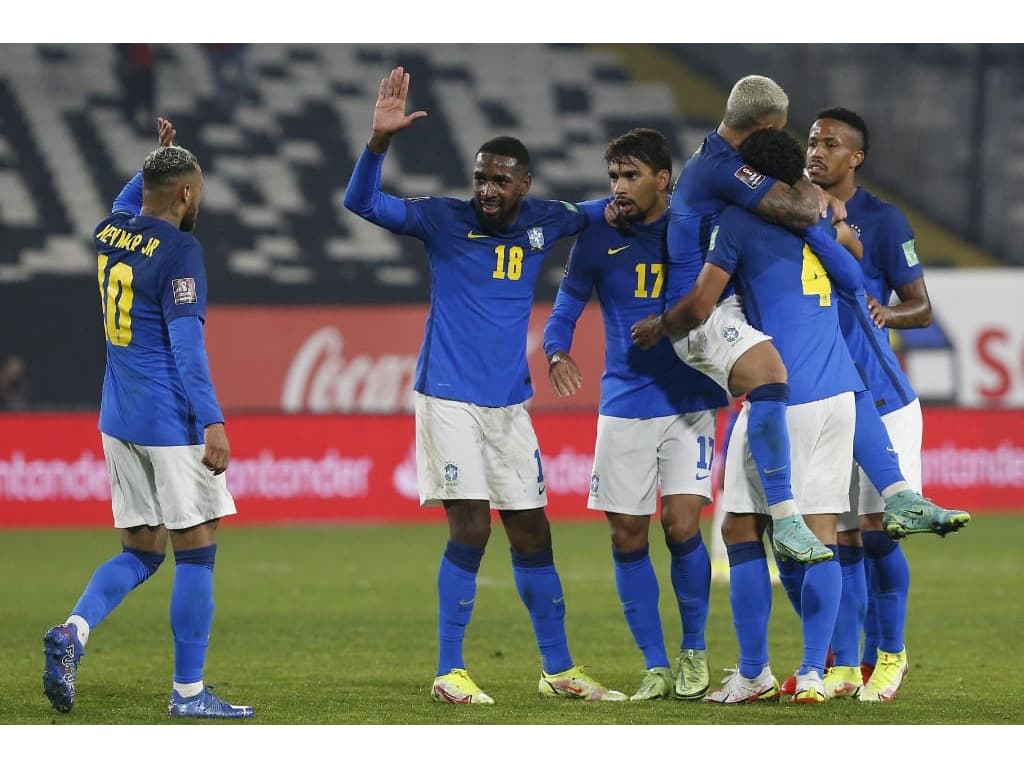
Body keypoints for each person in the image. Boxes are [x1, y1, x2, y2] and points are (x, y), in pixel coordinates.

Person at [343, 66, 624, 704]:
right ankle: (450, 671)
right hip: (447, 398)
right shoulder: (441, 220)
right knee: (470, 528)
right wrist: (379, 142)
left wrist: (653, 199)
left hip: (509, 406)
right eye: (480, 177)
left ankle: (558, 670)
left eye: (501, 179)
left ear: (525, 183)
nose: (488, 189)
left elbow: (603, 211)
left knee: (532, 531)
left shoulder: (546, 221)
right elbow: (361, 203)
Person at [42, 118, 253, 719]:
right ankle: (189, 694)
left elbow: (125, 201)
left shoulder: (110, 231)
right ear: (186, 193)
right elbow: (187, 349)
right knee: (196, 548)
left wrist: (153, 165)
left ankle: (73, 633)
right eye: (198, 189)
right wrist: (212, 420)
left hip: (118, 416)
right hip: (169, 420)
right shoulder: (182, 250)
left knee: (142, 549)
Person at [660, 127, 865, 704]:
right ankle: (815, 675)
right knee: (822, 534)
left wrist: (660, 325)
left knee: (741, 530)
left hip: (784, 393)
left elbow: (703, 303)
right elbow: (853, 282)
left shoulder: (741, 222)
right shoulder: (815, 220)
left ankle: (753, 673)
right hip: (836, 397)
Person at [543, 129, 727, 701]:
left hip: (688, 399)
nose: (619, 188)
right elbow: (567, 303)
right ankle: (654, 664)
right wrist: (556, 349)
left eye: (631, 176)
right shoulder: (598, 237)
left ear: (663, 179)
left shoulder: (695, 229)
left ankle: (693, 651)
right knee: (627, 534)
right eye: (613, 177)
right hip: (624, 402)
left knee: (681, 526)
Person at [629, 75, 840, 566]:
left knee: (773, 394)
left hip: (723, 304)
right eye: (780, 132)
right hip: (697, 314)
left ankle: (755, 515)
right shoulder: (724, 167)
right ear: (765, 126)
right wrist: (803, 176)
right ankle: (788, 519)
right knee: (770, 375)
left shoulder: (721, 160)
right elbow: (804, 210)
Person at [804, 106, 970, 702]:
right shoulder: (789, 212)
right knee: (841, 536)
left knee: (878, 532)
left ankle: (891, 656)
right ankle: (848, 664)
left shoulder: (882, 218)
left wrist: (884, 311)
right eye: (813, 139)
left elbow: (920, 306)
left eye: (832, 143)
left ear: (857, 158)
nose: (817, 149)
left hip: (883, 399)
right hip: (826, 400)